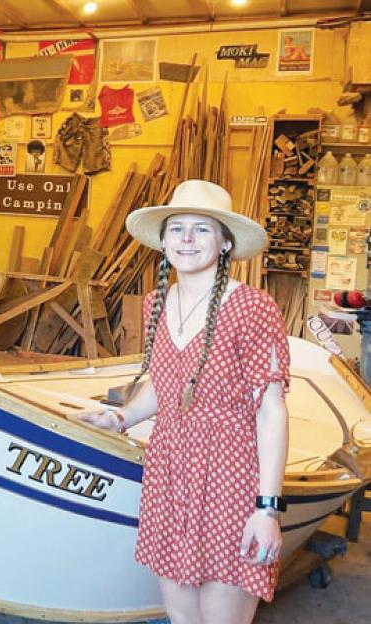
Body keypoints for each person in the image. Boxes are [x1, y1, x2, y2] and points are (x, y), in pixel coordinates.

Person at [78, 180, 289, 623]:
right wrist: (120, 417)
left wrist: (266, 508)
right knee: (183, 618)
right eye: (177, 229)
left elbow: (270, 411)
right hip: (169, 471)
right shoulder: (157, 302)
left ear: (226, 241)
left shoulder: (253, 307)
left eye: (202, 229)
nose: (187, 240)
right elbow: (165, 383)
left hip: (229, 475)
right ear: (163, 239)